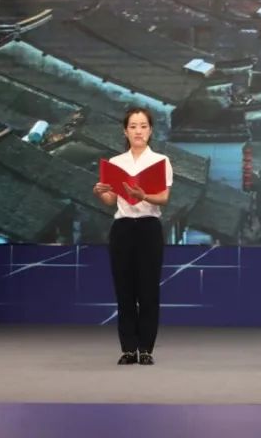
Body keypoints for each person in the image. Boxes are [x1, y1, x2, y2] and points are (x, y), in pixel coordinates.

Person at [92, 107, 173, 366]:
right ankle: (128, 349)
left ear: (151, 130)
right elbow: (111, 200)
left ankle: (146, 349)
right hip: (123, 228)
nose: (138, 131)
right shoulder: (116, 162)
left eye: (143, 126)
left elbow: (164, 198)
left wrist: (143, 196)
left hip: (149, 227)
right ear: (125, 131)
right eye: (133, 126)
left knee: (148, 290)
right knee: (124, 290)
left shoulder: (160, 161)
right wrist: (100, 192)